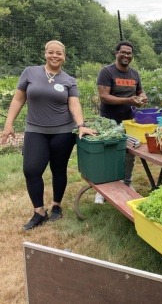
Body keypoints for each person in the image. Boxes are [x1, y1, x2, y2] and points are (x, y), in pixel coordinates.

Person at [1, 40, 96, 230]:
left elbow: (74, 104)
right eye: (51, 52)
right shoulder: (30, 72)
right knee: (31, 169)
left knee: (58, 169)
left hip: (63, 132)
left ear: (64, 57)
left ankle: (56, 206)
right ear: (45, 54)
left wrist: (81, 125)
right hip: (35, 130)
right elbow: (19, 98)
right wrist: (8, 124)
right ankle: (39, 212)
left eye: (59, 53)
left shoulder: (69, 80)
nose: (55, 56)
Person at [96, 40, 147, 203]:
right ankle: (102, 188)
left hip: (129, 120)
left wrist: (142, 98)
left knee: (129, 153)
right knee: (108, 153)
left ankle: (126, 182)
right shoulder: (107, 72)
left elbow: (140, 91)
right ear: (116, 53)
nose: (126, 55)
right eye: (123, 52)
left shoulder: (134, 74)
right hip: (109, 120)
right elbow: (104, 96)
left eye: (129, 53)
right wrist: (128, 100)